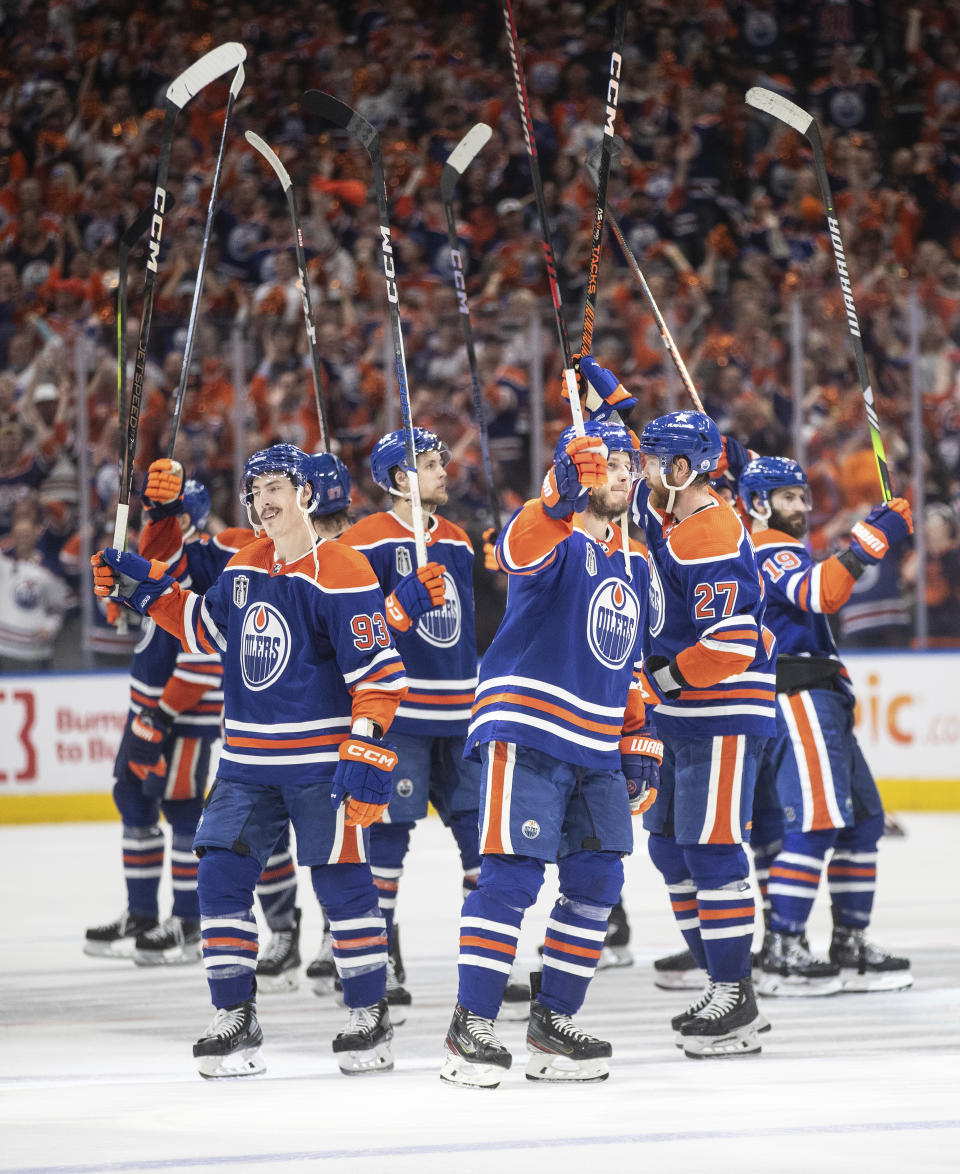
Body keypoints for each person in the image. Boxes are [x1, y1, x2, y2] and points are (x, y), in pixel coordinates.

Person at [93, 443, 407, 1078]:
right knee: (220, 877)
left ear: (305, 497)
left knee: (343, 884)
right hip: (246, 762)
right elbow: (204, 628)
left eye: (276, 488)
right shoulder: (241, 568)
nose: (264, 501)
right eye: (256, 489)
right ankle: (236, 1015)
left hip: (321, 760)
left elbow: (379, 677)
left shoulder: (343, 572)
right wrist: (144, 589)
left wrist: (364, 747)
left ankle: (369, 1012)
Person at [441, 419, 660, 1088]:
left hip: (595, 745)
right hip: (529, 732)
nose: (624, 473)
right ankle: (468, 1028)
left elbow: (630, 661)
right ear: (583, 473)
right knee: (510, 879)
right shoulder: (555, 537)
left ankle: (552, 1024)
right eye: (610, 463)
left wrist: (637, 730)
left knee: (598, 882)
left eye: (630, 465)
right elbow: (514, 549)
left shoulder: (638, 562)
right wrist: (556, 499)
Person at [340, 427, 530, 1021]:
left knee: (479, 836)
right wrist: (396, 610)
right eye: (428, 464)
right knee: (389, 837)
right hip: (401, 712)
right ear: (398, 479)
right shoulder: (365, 538)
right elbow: (352, 628)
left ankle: (489, 958)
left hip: (462, 709)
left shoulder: (454, 536)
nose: (444, 471)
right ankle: (382, 953)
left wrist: (507, 560)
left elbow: (481, 616)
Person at [630, 406, 777, 1059]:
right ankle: (721, 981)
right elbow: (623, 497)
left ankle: (735, 994)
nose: (641, 471)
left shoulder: (712, 531)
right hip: (683, 715)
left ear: (682, 468)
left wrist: (661, 682)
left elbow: (733, 642)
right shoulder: (676, 521)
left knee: (713, 849)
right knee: (670, 849)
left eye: (653, 460)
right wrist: (613, 404)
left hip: (718, 710)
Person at [739, 456, 914, 995]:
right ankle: (785, 946)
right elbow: (821, 593)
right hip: (798, 693)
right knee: (816, 823)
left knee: (863, 820)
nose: (803, 506)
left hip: (821, 695)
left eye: (804, 496)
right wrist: (870, 537)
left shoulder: (787, 547)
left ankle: (849, 940)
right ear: (759, 504)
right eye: (789, 497)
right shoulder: (764, 547)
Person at [83, 480, 221, 963]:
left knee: (182, 808)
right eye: (149, 517)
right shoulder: (161, 561)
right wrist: (122, 597)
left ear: (186, 521)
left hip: (181, 716)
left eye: (162, 516)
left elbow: (206, 661)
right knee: (132, 796)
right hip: (148, 710)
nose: (152, 527)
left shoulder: (202, 565)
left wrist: (159, 718)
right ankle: (142, 911)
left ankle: (186, 922)